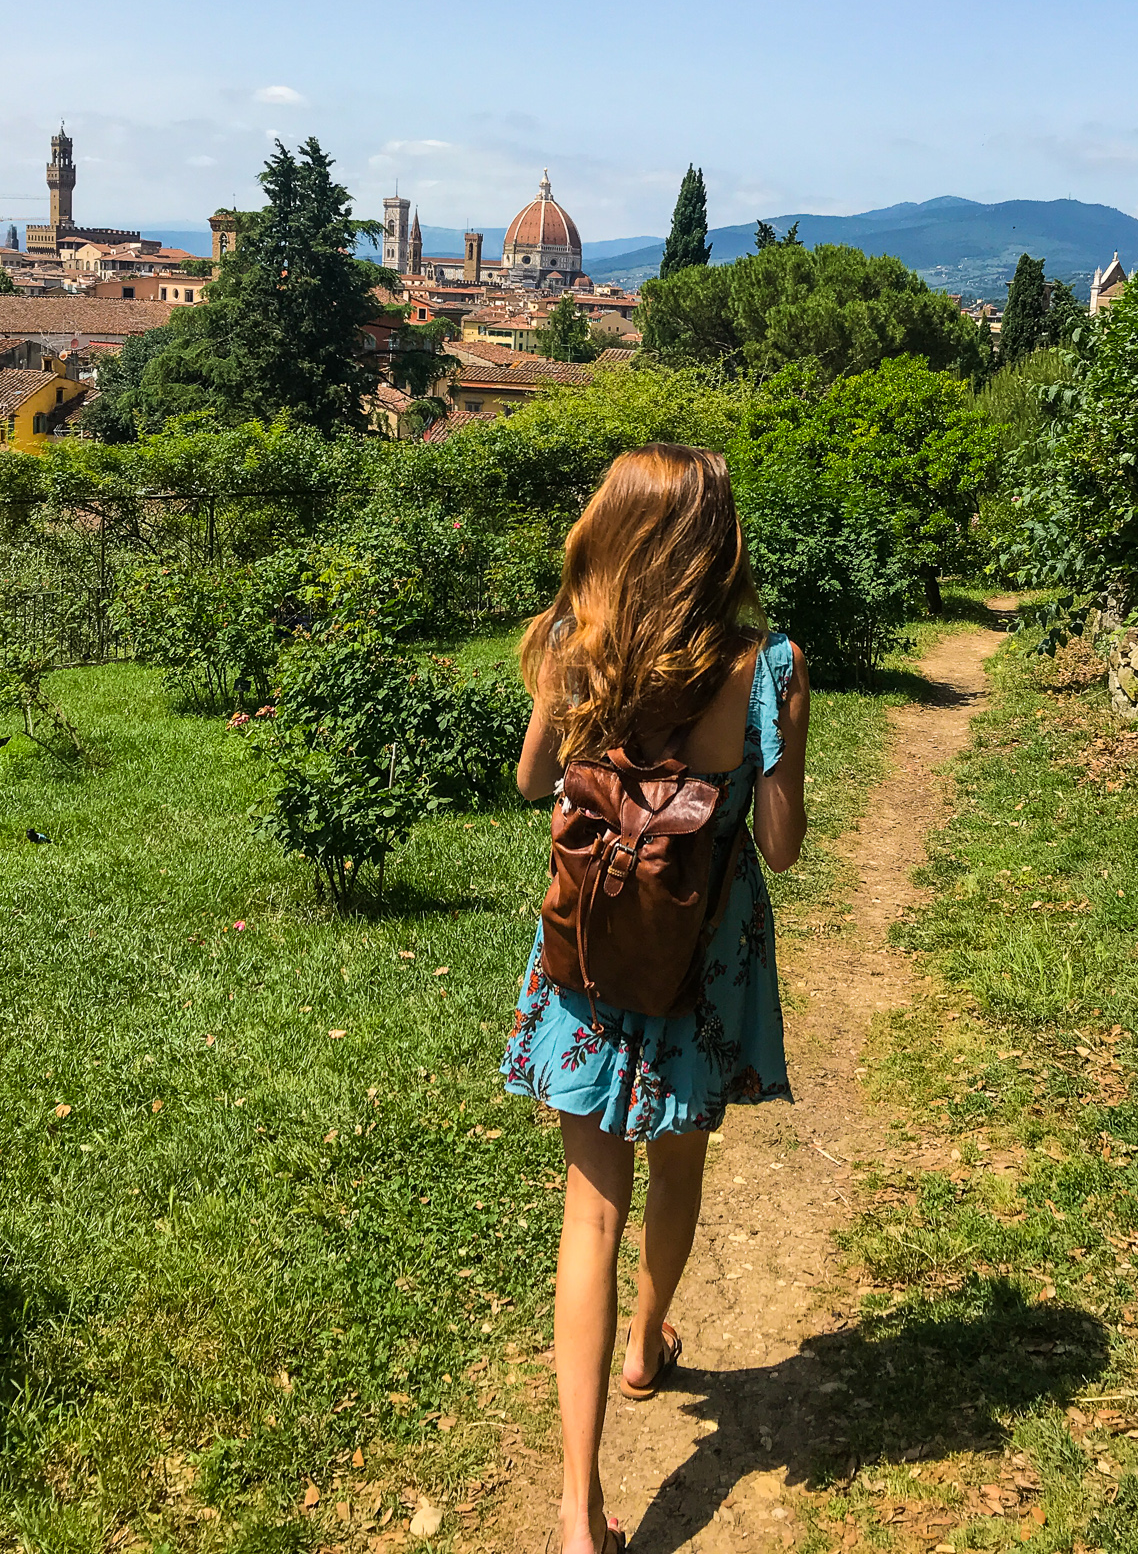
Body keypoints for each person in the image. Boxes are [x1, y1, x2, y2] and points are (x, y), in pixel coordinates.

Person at [500, 443, 810, 1554]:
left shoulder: (571, 646)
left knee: (589, 1209)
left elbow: (532, 781)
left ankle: (578, 1512)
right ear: (713, 545)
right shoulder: (766, 665)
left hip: (592, 952)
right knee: (678, 1163)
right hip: (699, 966)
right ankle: (647, 1339)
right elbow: (781, 845)